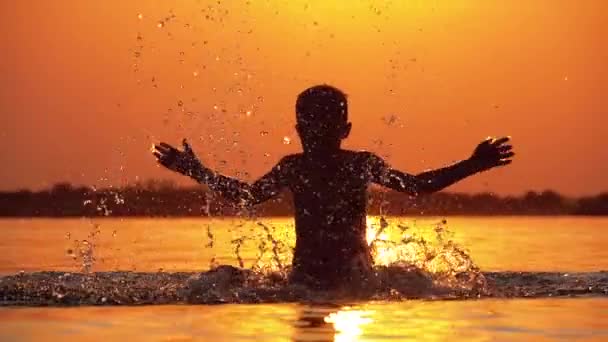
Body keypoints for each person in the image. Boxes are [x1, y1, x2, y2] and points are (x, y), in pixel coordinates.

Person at [153, 84, 514, 290]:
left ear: (342, 131)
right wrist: (196, 170)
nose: (317, 135)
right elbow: (419, 186)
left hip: (319, 280)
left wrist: (195, 171)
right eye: (312, 127)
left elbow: (246, 197)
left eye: (321, 127)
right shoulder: (317, 166)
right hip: (330, 279)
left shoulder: (327, 165)